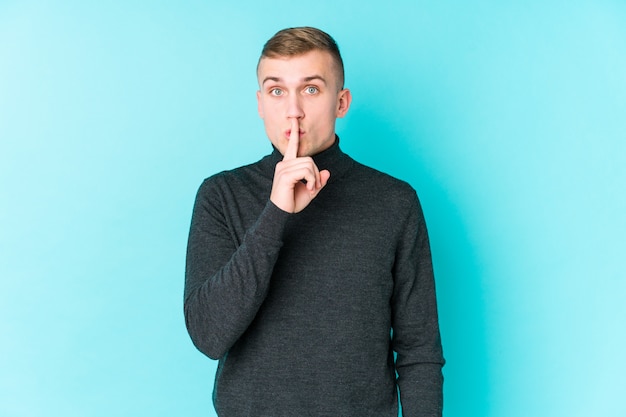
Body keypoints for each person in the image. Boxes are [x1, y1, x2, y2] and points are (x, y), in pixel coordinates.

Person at [184, 26, 445, 417]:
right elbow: (209, 335)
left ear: (341, 102)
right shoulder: (221, 195)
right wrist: (276, 213)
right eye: (277, 91)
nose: (293, 110)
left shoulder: (394, 202)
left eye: (310, 89)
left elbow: (419, 349)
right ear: (259, 103)